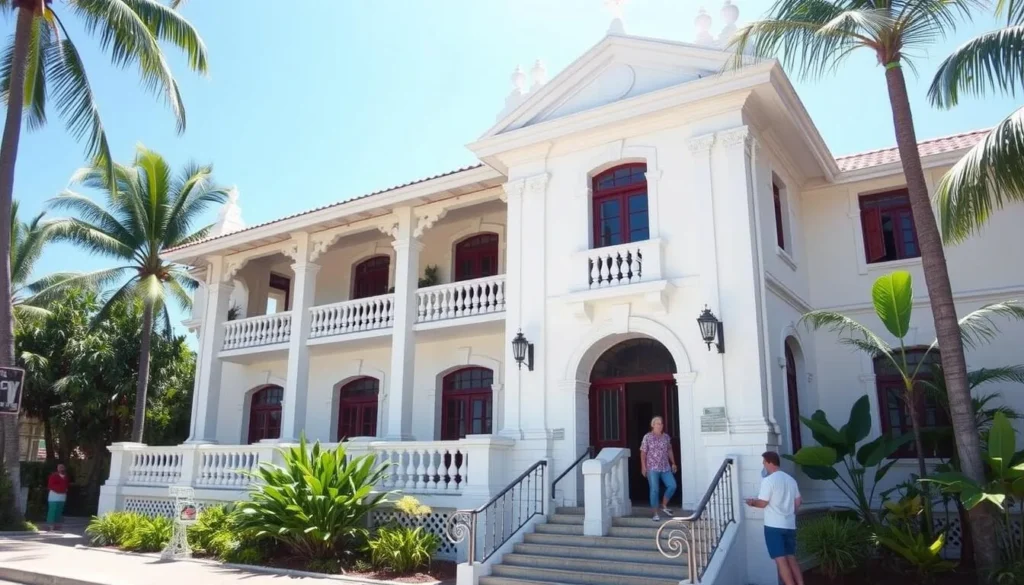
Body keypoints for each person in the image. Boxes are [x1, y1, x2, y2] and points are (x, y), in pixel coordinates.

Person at [745, 451, 804, 585]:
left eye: (764, 463)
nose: (764, 466)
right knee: (791, 558)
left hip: (774, 527)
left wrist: (752, 502)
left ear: (770, 462)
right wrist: (789, 513)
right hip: (790, 525)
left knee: (781, 561)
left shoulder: (769, 480)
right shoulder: (790, 480)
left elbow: (763, 503)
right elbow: (798, 501)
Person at [639, 415, 678, 522]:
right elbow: (643, 452)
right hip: (652, 467)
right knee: (654, 490)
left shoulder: (666, 437)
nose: (660, 425)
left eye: (661, 424)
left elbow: (669, 450)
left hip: (665, 467)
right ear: (653, 425)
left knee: (672, 485)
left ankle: (664, 505)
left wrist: (673, 463)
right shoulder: (647, 437)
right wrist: (643, 466)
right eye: (658, 424)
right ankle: (655, 513)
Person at [46, 463, 69, 531]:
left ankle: (57, 525)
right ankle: (50, 525)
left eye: (62, 467)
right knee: (52, 510)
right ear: (57, 469)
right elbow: (50, 485)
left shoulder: (66, 477)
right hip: (54, 496)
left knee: (59, 510)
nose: (61, 469)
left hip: (62, 496)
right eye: (60, 467)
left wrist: (65, 489)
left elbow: (66, 485)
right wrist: (58, 490)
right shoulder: (54, 476)